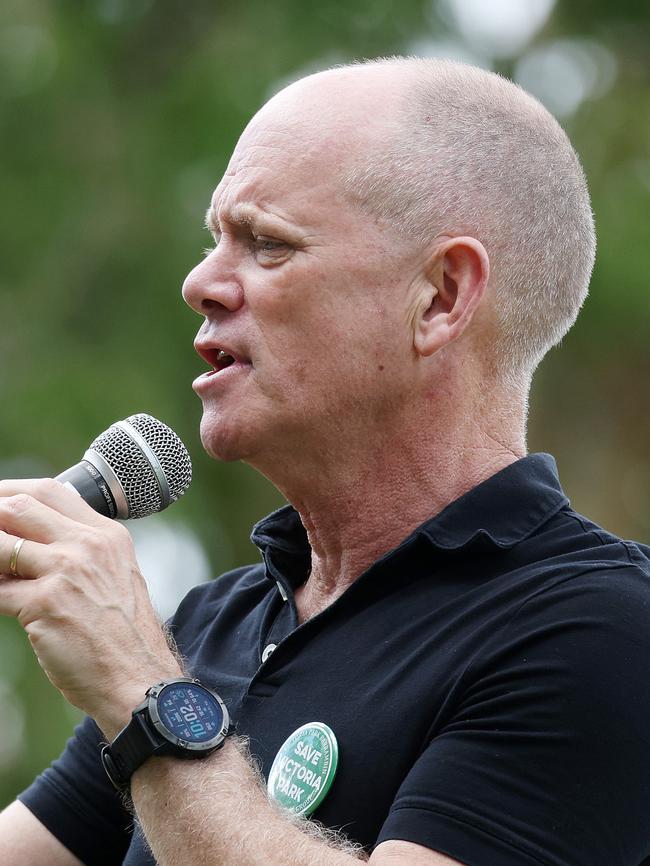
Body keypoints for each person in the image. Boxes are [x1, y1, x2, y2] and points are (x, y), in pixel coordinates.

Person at [0, 56, 648, 866]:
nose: (201, 281)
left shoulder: (601, 629)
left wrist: (142, 697)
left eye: (266, 243)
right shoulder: (210, 627)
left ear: (442, 297)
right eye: (214, 241)